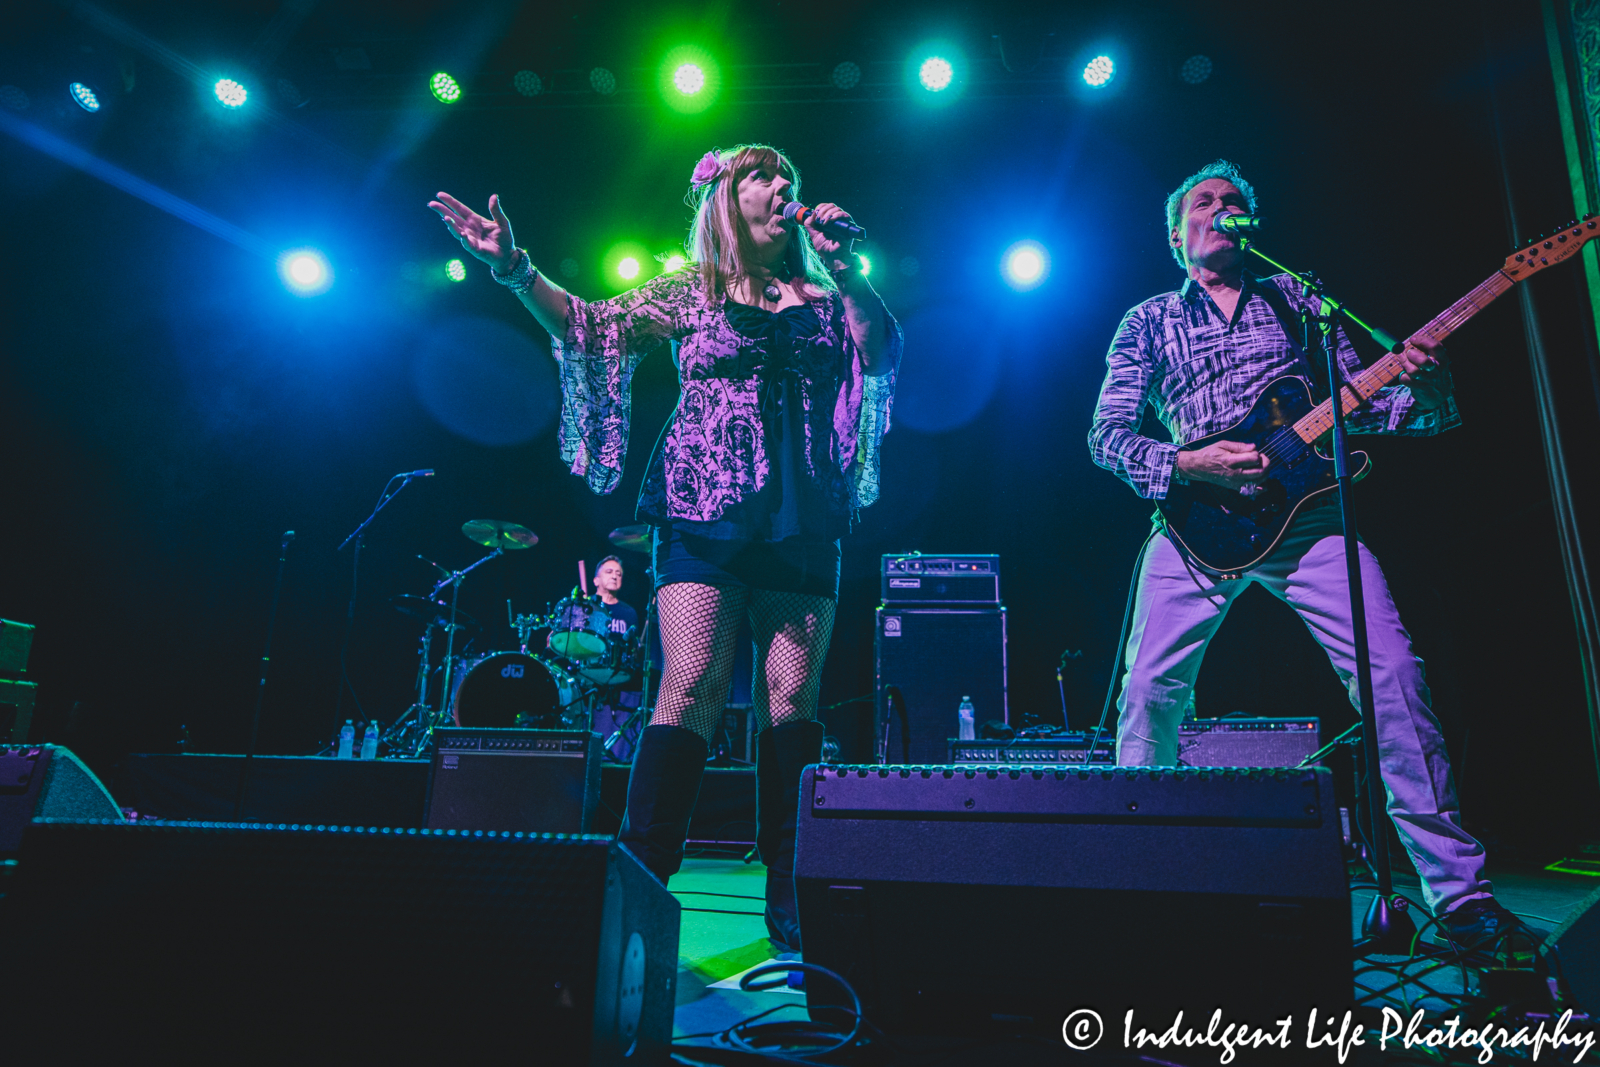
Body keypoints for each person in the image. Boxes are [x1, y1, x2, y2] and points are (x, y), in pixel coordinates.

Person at [430, 143, 901, 956]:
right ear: (726, 197)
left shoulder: (827, 297)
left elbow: (881, 354)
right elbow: (591, 325)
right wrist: (513, 268)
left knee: (792, 700)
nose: (783, 186)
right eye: (762, 175)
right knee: (692, 682)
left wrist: (849, 270)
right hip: (704, 504)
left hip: (804, 517)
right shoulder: (696, 289)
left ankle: (791, 898)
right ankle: (638, 881)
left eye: (789, 177)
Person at [1088, 160, 1522, 954]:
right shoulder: (1148, 320)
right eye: (1205, 203)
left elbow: (1376, 404)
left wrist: (1427, 391)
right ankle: (1139, 874)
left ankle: (1460, 895)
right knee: (1150, 690)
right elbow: (1107, 436)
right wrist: (1189, 464)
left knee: (1391, 673)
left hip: (1308, 521)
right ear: (1177, 234)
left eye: (1236, 201)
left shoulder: (1300, 301)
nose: (1223, 210)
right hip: (1194, 530)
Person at [591, 554, 638, 636]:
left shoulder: (629, 613)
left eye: (618, 574)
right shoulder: (586, 607)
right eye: (609, 572)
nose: (614, 576)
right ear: (596, 581)